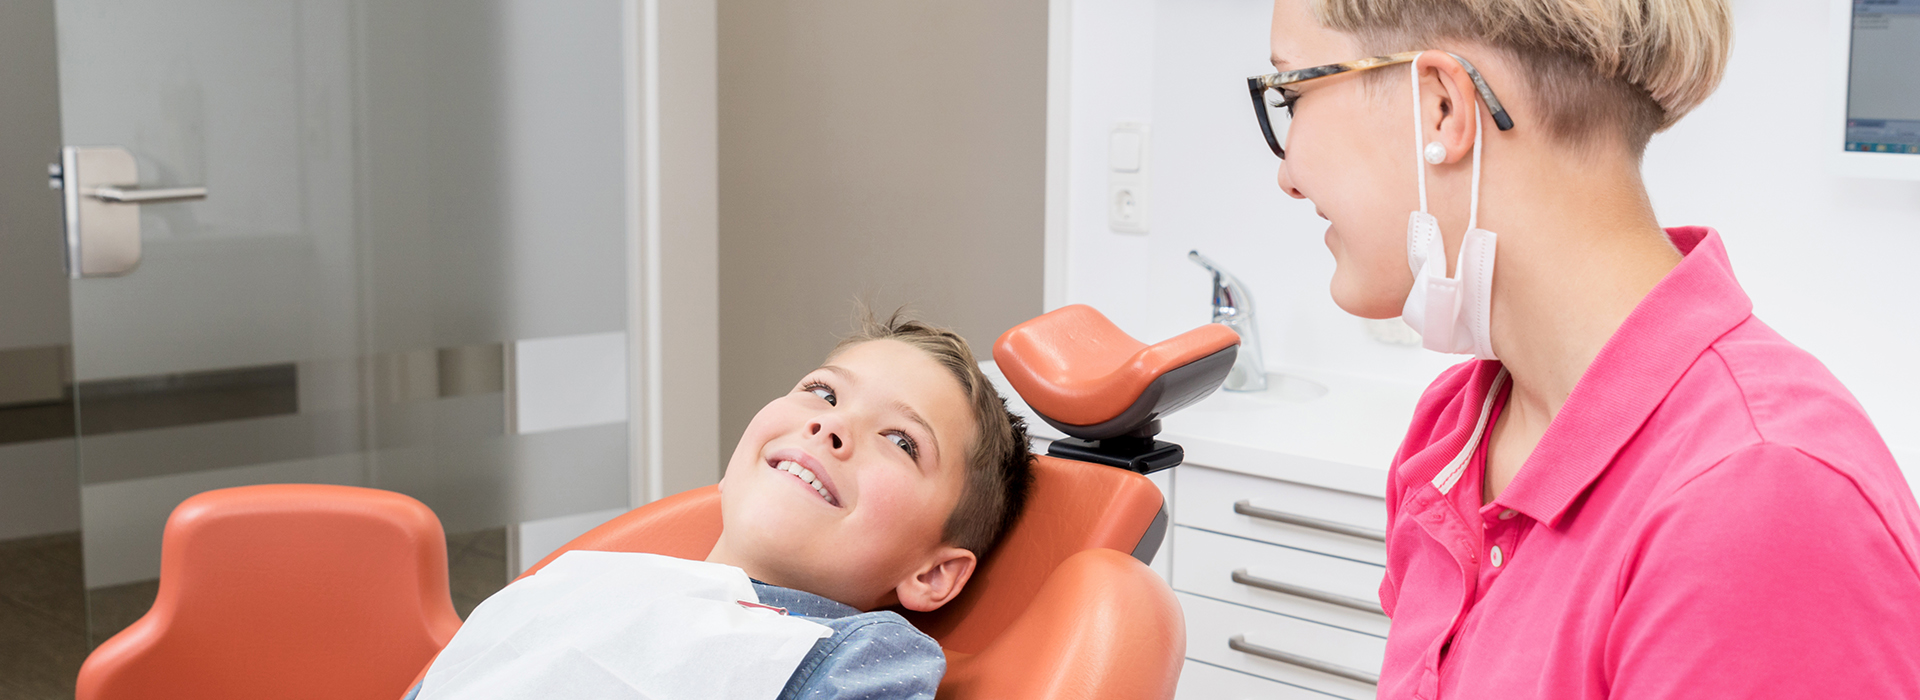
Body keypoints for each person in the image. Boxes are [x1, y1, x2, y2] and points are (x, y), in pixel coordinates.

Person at [1252, 0, 1920, 697]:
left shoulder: (1762, 500)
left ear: (1442, 108)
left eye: (1292, 94)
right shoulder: (1455, 434)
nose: (1287, 176)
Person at [408, 312, 1034, 700]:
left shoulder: (859, 655)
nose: (832, 428)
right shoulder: (580, 579)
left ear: (931, 574)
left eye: (901, 442)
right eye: (822, 392)